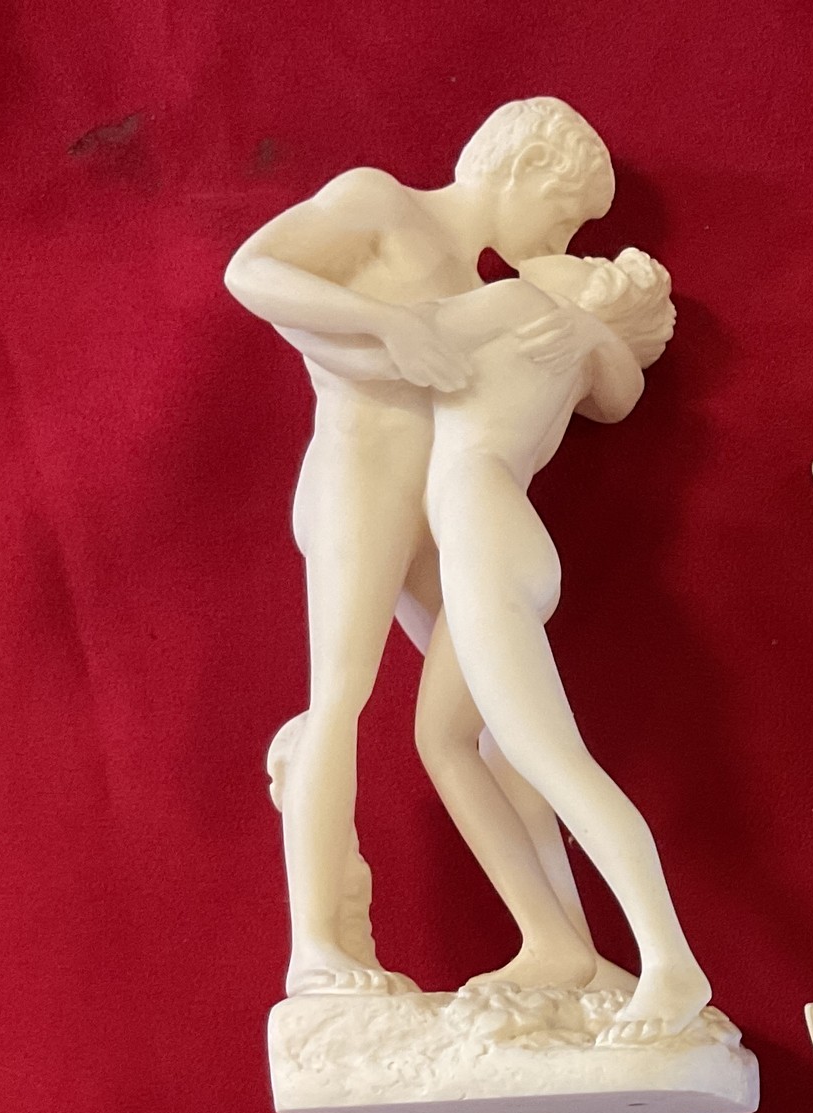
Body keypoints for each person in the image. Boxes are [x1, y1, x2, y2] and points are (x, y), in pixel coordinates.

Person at [225, 99, 620, 999]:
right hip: (360, 483)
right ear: (522, 168)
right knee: (340, 698)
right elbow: (252, 270)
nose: (556, 241)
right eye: (562, 216)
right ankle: (315, 946)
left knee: (497, 718)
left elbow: (609, 395)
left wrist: (591, 329)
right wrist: (388, 324)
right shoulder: (383, 203)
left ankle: (564, 948)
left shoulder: (490, 290)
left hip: (437, 512)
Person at [411, 251, 714, 1042]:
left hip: (483, 529)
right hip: (491, 534)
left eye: (584, 262)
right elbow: (621, 399)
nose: (566, 255)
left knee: (550, 758)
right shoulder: (575, 352)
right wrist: (597, 333)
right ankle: (558, 944)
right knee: (447, 740)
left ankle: (670, 959)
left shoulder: (520, 305)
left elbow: (408, 327)